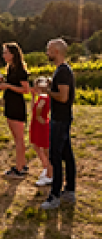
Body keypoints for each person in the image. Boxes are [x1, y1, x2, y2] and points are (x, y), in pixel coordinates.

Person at [40, 38, 76, 210]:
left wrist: (47, 91)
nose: (47, 52)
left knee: (55, 156)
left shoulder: (62, 72)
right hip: (62, 118)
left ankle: (54, 196)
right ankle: (69, 191)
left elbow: (63, 97)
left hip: (60, 120)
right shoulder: (62, 70)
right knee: (67, 155)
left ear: (56, 51)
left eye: (49, 49)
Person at [0, 42, 30, 179]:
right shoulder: (11, 68)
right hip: (10, 104)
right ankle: (21, 164)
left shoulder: (20, 70)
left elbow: (26, 89)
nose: (3, 55)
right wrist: (3, 81)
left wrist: (8, 86)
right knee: (17, 138)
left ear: (12, 54)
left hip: (17, 106)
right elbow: (13, 84)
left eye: (5, 52)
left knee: (19, 139)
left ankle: (19, 169)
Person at [30, 76, 53, 187]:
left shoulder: (44, 97)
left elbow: (39, 108)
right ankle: (46, 168)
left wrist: (39, 115)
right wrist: (33, 97)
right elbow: (33, 108)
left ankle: (50, 173)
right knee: (37, 145)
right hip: (36, 123)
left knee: (45, 149)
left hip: (41, 124)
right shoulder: (41, 97)